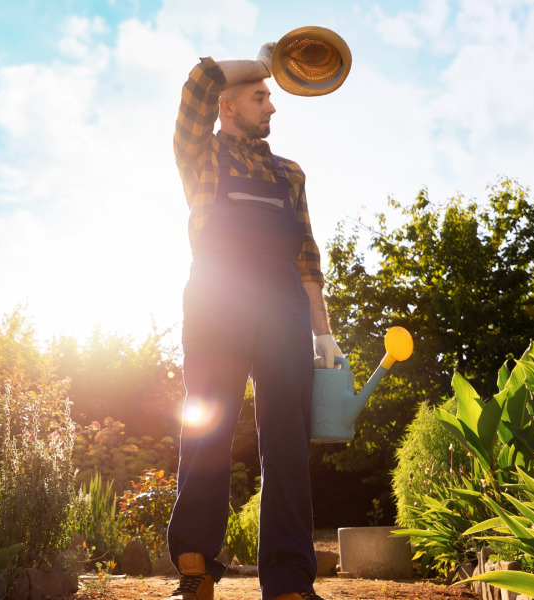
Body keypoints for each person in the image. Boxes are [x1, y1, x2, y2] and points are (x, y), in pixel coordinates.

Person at [166, 42, 343, 600]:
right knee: (208, 427)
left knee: (287, 439)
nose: (273, 105)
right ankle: (195, 572)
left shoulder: (290, 173)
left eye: (271, 96)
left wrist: (324, 331)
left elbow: (307, 256)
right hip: (218, 296)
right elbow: (199, 83)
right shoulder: (201, 155)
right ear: (229, 108)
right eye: (261, 97)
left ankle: (289, 582)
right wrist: (265, 62)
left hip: (284, 302)